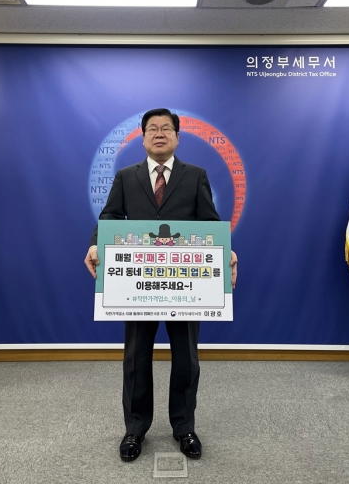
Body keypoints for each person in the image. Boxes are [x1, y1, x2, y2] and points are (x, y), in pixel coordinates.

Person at [85, 108, 238, 462]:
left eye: (166, 128)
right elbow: (109, 217)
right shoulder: (126, 176)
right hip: (139, 286)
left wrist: (226, 252)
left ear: (177, 137)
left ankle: (184, 427)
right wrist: (96, 243)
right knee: (136, 357)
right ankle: (135, 429)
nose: (159, 133)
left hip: (184, 287)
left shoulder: (195, 176)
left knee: (186, 357)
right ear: (142, 138)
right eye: (152, 128)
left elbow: (210, 223)